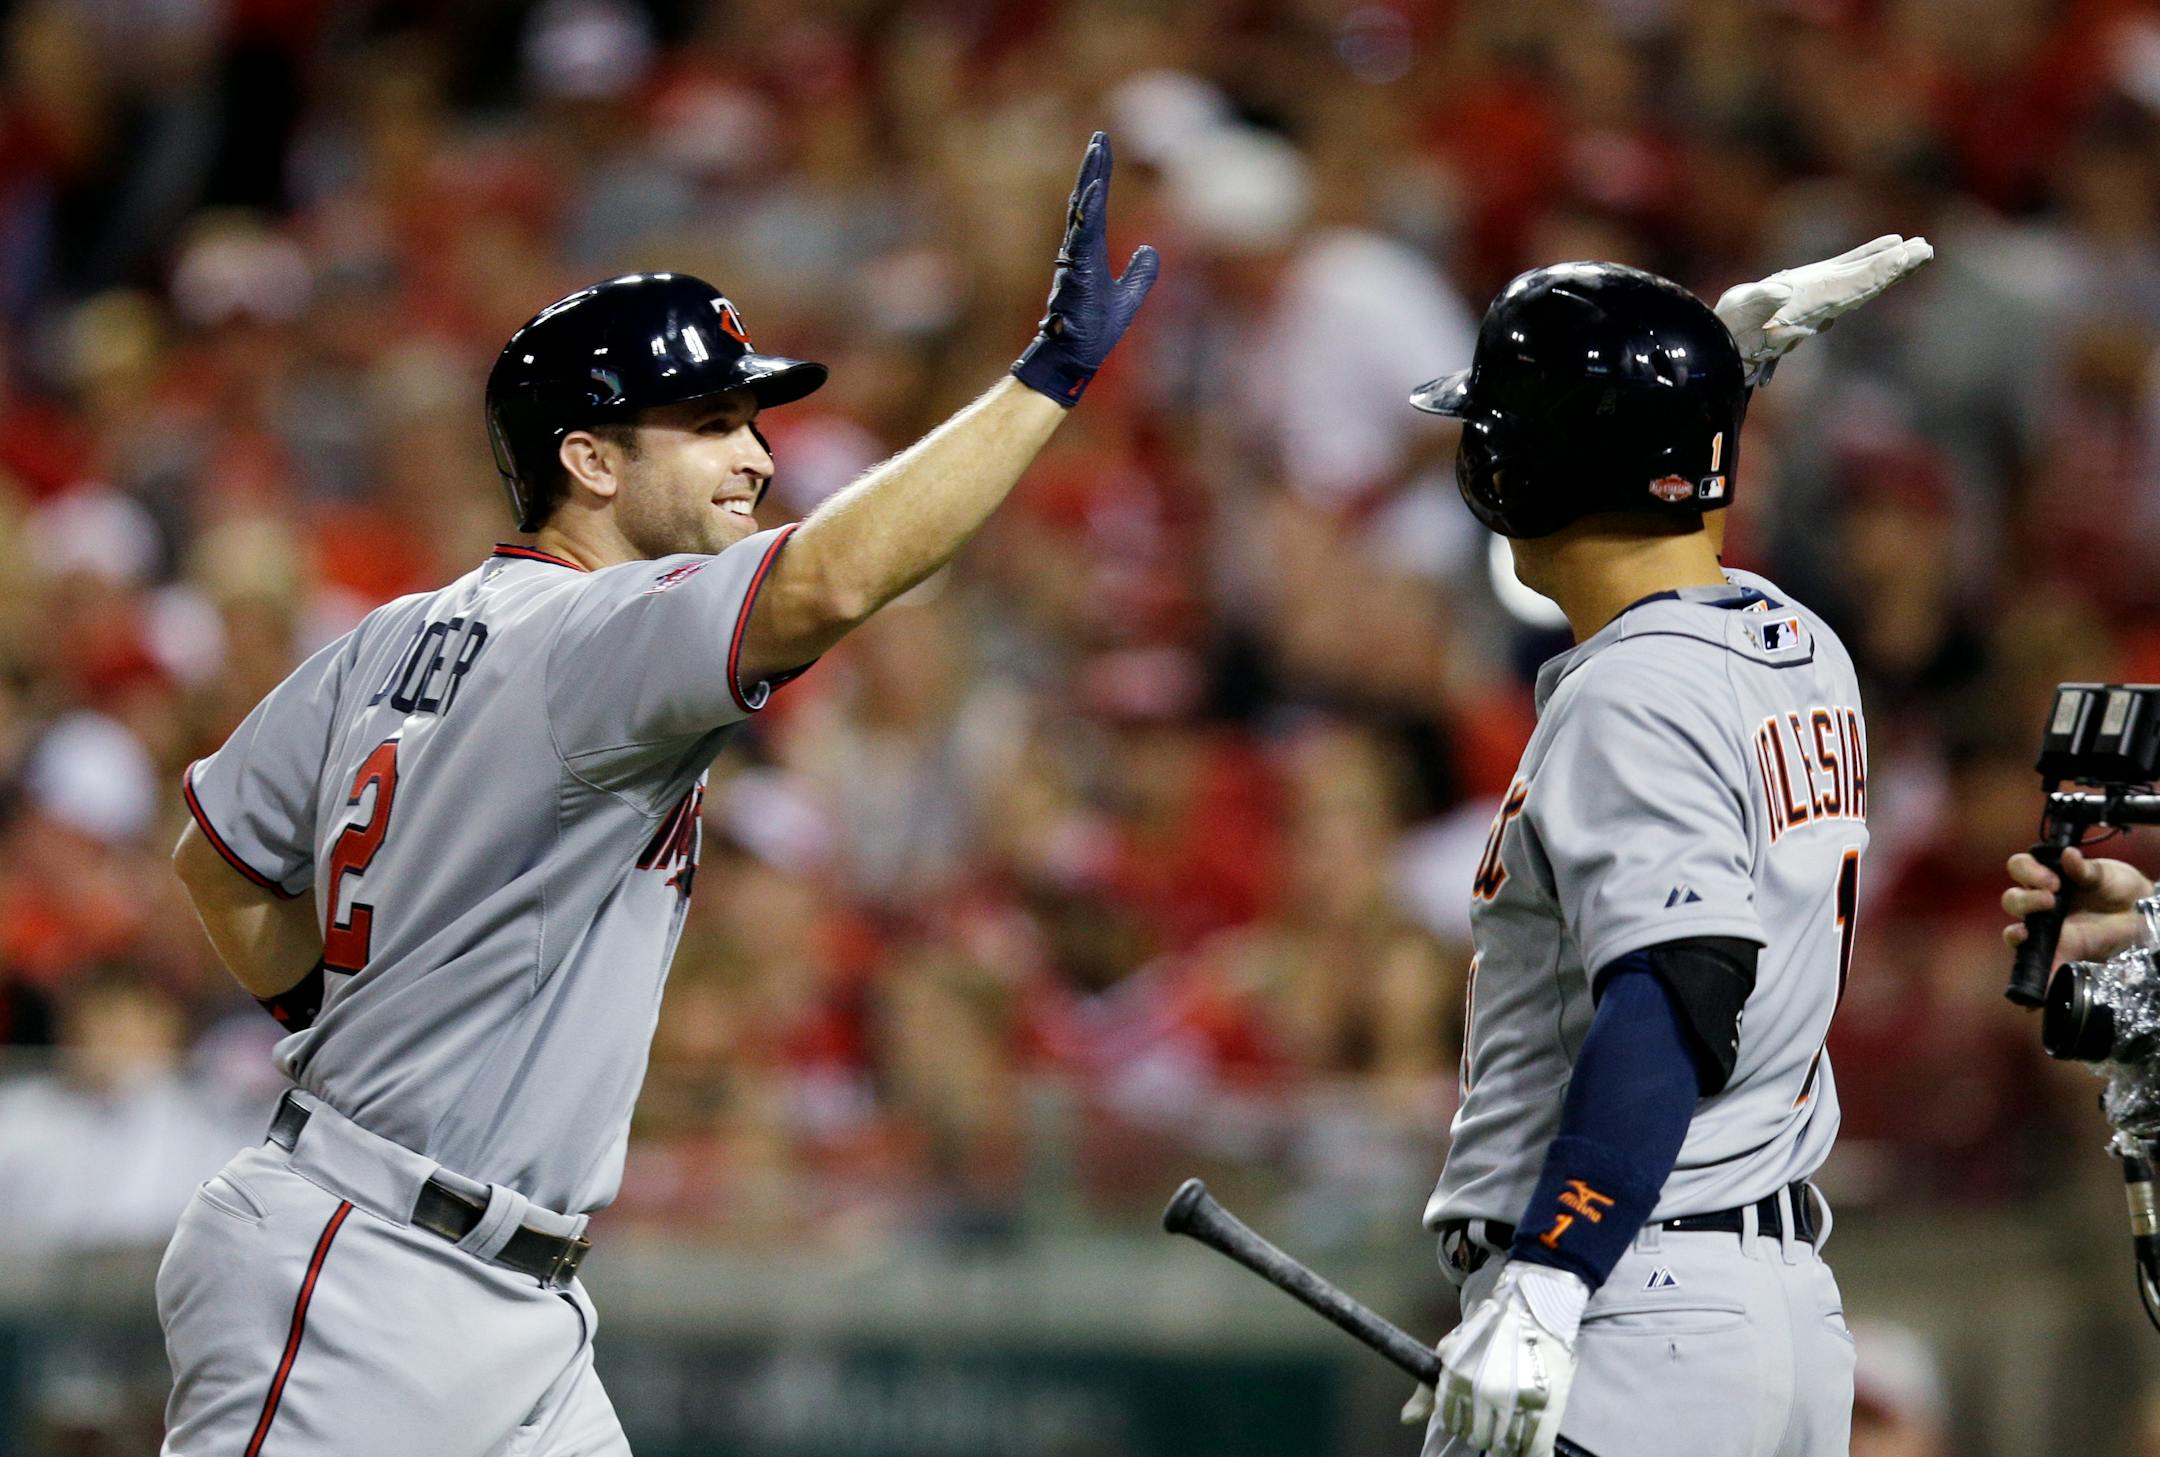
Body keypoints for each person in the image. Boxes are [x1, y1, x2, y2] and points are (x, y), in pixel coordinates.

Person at [156, 132, 1157, 1457]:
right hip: (365, 1278)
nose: (755, 457)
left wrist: (333, 1011)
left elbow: (214, 860)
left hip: (502, 1293)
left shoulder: (397, 634)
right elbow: (829, 584)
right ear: (591, 461)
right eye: (711, 423)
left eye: (752, 421)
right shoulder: (592, 637)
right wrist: (1044, 383)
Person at [1400, 239, 1931, 1457]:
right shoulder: (1800, 640)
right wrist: (1710, 380)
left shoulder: (1629, 695)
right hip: (1777, 1316)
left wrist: (1551, 1272)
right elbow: (1662, 507)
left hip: (1633, 1307)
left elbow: (1678, 987)